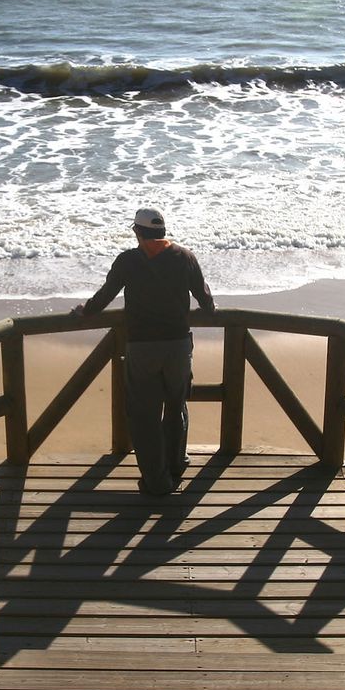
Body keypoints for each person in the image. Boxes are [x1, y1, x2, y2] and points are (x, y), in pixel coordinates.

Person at [73, 207, 215, 496]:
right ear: (162, 232)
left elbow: (104, 296)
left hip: (142, 347)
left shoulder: (128, 260)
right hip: (178, 345)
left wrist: (85, 311)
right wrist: (208, 309)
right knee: (176, 404)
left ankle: (157, 481)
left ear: (137, 232)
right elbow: (204, 297)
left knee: (143, 415)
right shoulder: (185, 257)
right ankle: (175, 464)